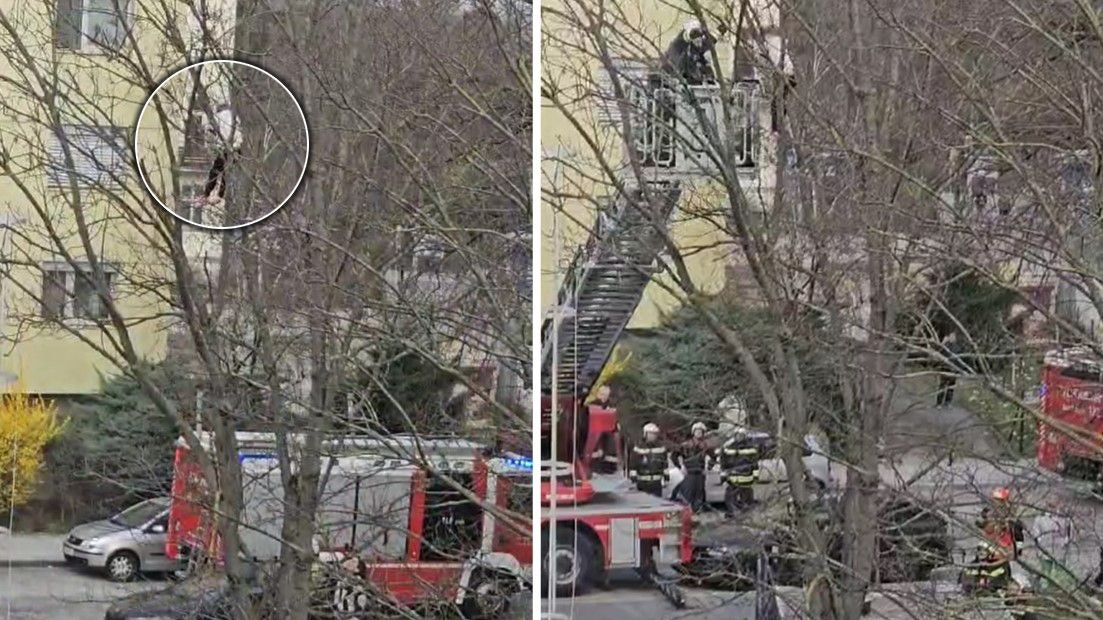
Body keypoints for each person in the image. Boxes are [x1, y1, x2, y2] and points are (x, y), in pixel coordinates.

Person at [204, 103, 243, 208]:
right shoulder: (235, 117)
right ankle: (221, 195)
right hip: (236, 149)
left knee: (215, 171)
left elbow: (210, 131)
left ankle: (207, 193)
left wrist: (210, 147)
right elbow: (240, 134)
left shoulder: (218, 117)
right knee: (226, 174)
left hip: (225, 149)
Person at [1029, 496, 1072, 590]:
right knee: (1046, 571)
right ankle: (1046, 589)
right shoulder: (1040, 518)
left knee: (1059, 571)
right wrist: (1041, 544)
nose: (1053, 507)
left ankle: (1058, 589)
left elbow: (1070, 532)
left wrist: (1066, 541)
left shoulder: (1064, 518)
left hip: (1059, 549)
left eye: (1055, 504)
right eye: (1050, 505)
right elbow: (1036, 533)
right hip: (1045, 549)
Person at [660, 19, 721, 85]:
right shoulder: (678, 44)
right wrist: (697, 32)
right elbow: (686, 37)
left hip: (692, 78)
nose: (698, 40)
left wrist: (719, 31)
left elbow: (707, 44)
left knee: (705, 61)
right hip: (675, 77)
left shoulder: (695, 47)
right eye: (696, 37)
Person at [718, 426, 759, 515]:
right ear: (735, 436)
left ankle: (747, 515)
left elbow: (755, 464)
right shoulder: (728, 447)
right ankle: (732, 513)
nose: (739, 437)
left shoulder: (751, 447)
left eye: (741, 435)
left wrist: (755, 476)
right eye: (738, 435)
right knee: (730, 497)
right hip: (733, 479)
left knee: (747, 499)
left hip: (746, 479)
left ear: (745, 436)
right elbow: (723, 462)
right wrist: (723, 476)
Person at [976, 487, 1025, 560]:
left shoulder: (1013, 520)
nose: (997, 504)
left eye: (999, 501)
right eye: (995, 500)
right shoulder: (987, 514)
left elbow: (1018, 537)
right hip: (994, 547)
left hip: (1008, 547)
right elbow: (981, 525)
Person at [676, 422, 711, 512]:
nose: (699, 433)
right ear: (693, 432)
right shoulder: (686, 445)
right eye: (697, 431)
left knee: (699, 494)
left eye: (701, 431)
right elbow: (675, 455)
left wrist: (708, 467)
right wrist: (681, 467)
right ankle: (687, 512)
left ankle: (698, 511)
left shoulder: (705, 446)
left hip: (700, 473)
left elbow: (713, 457)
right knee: (688, 493)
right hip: (689, 473)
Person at [629, 422, 669, 497]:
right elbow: (633, 464)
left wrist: (666, 478)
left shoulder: (661, 448)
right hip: (642, 482)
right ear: (645, 434)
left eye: (654, 434)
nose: (653, 436)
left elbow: (665, 464)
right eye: (650, 434)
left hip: (656, 482)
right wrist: (633, 480)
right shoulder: (639, 447)